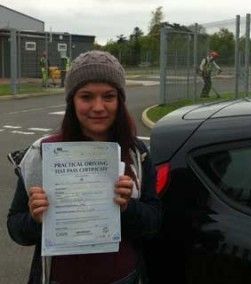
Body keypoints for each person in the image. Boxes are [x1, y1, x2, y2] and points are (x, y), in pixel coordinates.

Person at [7, 50, 162, 284]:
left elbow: (154, 222)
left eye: (108, 96)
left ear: (119, 101)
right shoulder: (43, 152)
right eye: (86, 97)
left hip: (124, 277)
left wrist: (128, 208)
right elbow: (15, 228)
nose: (98, 107)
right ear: (72, 101)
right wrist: (35, 219)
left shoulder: (136, 153)